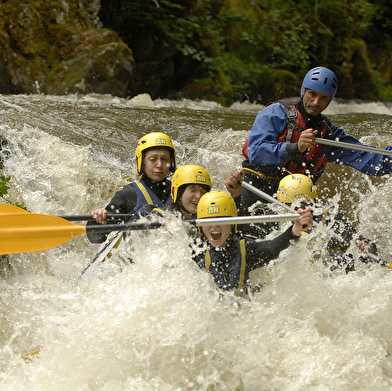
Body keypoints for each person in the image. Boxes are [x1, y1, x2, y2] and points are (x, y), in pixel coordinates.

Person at [239, 66, 392, 209]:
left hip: (293, 199)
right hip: (257, 187)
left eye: (323, 98)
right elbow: (256, 153)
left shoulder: (328, 133)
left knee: (332, 217)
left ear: (329, 101)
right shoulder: (276, 112)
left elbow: (368, 159)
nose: (316, 102)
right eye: (312, 94)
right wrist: (295, 147)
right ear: (303, 90)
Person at [192, 191, 313, 295]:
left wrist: (295, 230)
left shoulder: (246, 249)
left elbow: (274, 247)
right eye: (207, 221)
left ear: (232, 223)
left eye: (221, 219)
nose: (214, 226)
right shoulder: (195, 249)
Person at [275, 174, 386, 271]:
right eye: (292, 205)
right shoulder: (275, 217)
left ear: (313, 201)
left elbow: (361, 241)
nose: (300, 210)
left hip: (329, 272)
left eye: (305, 204)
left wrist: (366, 248)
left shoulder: (329, 216)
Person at [86, 132, 176, 243]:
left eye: (165, 159)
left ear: (171, 163)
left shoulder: (180, 191)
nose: (159, 165)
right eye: (152, 160)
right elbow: (96, 237)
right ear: (142, 163)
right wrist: (97, 220)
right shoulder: (128, 194)